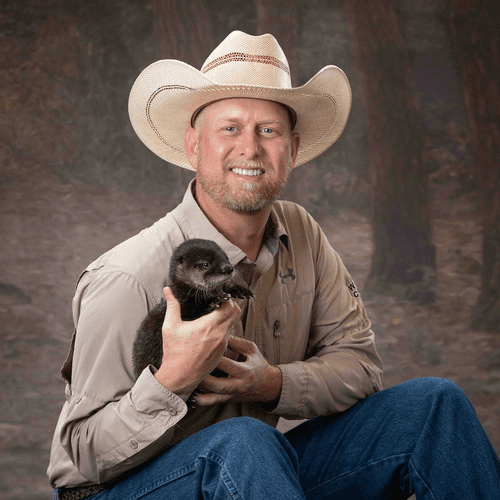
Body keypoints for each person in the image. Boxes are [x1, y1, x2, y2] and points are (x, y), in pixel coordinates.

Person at [48, 31, 500, 499]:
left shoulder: (301, 235)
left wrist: (271, 383)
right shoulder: (125, 277)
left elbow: (361, 367)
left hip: (249, 472)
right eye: (229, 128)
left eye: (269, 130)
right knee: (245, 443)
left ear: (293, 148)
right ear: (193, 146)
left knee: (433, 408)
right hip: (120, 489)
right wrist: (171, 381)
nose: (250, 148)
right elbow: (81, 455)